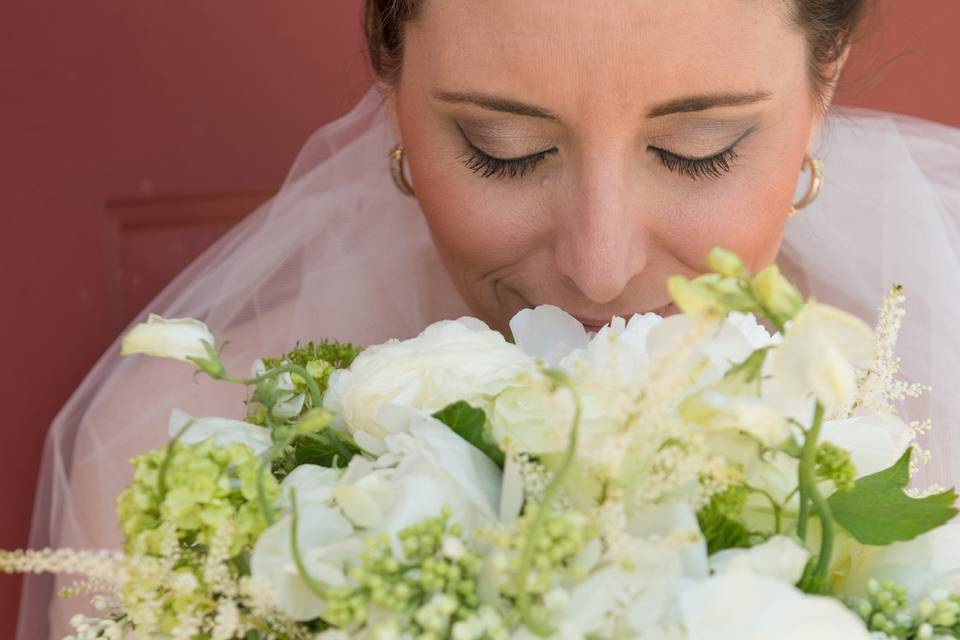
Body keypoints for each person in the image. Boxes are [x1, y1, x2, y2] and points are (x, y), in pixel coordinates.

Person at [18, 1, 960, 637]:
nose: (600, 265)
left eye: (695, 151)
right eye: (502, 150)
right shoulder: (172, 454)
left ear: (823, 80)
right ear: (391, 83)